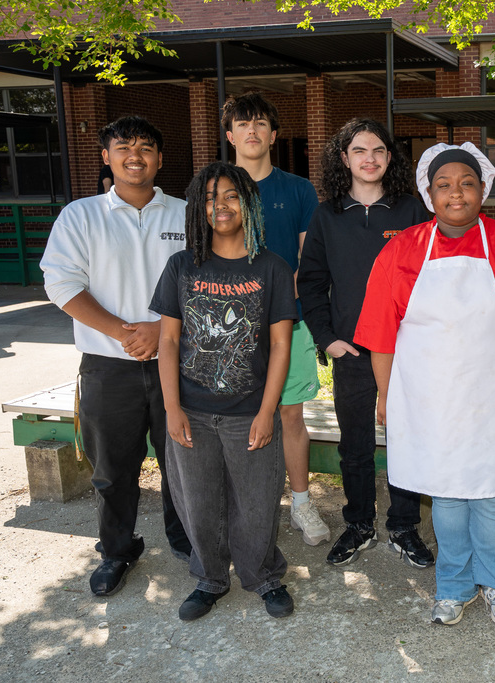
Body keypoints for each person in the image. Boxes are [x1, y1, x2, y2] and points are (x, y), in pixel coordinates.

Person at [354, 143, 495, 625]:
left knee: (492, 494)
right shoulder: (402, 250)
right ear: (429, 193)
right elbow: (382, 335)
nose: (456, 193)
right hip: (429, 398)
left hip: (493, 393)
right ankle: (453, 585)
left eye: (467, 183)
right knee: (445, 496)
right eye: (444, 185)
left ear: (483, 189)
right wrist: (388, 394)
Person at [40, 116, 192, 596]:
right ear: (106, 157)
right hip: (108, 366)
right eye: (123, 147)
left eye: (146, 147)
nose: (135, 155)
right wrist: (127, 333)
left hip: (179, 363)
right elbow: (62, 284)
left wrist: (160, 330)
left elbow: (207, 283)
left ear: (160, 159)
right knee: (112, 467)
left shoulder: (187, 214)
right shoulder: (80, 216)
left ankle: (187, 540)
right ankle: (117, 550)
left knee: (183, 461)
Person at [151, 162, 298, 621]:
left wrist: (266, 411)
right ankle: (210, 579)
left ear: (248, 204)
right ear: (199, 207)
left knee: (256, 503)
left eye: (232, 195)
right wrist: (172, 408)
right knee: (199, 503)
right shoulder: (181, 265)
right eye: (212, 197)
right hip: (192, 410)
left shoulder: (270, 267)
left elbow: (279, 345)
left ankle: (263, 576)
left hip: (248, 411)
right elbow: (170, 340)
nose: (222, 206)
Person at [298, 118, 431, 568]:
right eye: (359, 150)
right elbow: (312, 283)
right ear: (345, 158)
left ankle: (404, 526)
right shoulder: (327, 215)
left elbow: (434, 279)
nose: (369, 158)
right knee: (354, 445)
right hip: (352, 352)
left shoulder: (412, 212)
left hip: (407, 352)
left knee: (406, 439)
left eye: (377, 150)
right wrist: (328, 339)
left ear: (389, 158)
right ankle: (358, 525)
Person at [221, 93, 329, 546]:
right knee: (232, 417)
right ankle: (245, 507)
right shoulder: (216, 187)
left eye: (261, 123)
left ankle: (302, 504)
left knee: (289, 415)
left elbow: (308, 256)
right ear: (230, 135)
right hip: (230, 326)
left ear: (273, 134)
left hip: (291, 322)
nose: (252, 130)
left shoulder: (298, 189)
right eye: (243, 124)